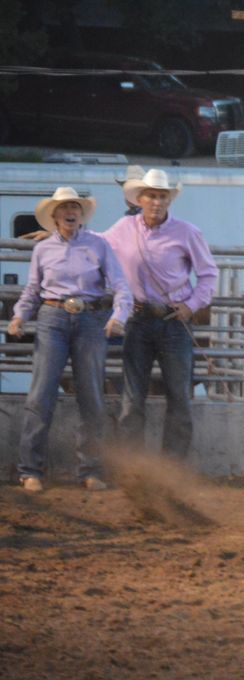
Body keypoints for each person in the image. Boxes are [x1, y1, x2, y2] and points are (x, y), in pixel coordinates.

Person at [8, 187, 132, 492]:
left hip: (90, 318)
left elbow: (120, 285)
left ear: (80, 214)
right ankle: (30, 469)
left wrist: (119, 316)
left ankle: (90, 469)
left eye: (74, 207)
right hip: (53, 317)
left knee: (91, 395)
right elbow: (33, 289)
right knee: (41, 393)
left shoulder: (99, 245)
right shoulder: (43, 250)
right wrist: (20, 315)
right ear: (55, 216)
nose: (70, 212)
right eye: (64, 208)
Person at [101, 169, 218, 458]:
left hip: (173, 320)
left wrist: (191, 305)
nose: (156, 201)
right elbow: (97, 242)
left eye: (162, 196)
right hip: (139, 319)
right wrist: (60, 235)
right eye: (152, 195)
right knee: (132, 398)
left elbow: (208, 274)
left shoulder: (187, 232)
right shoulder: (123, 228)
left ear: (169, 199)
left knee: (179, 397)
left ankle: (171, 467)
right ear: (140, 199)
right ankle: (134, 466)